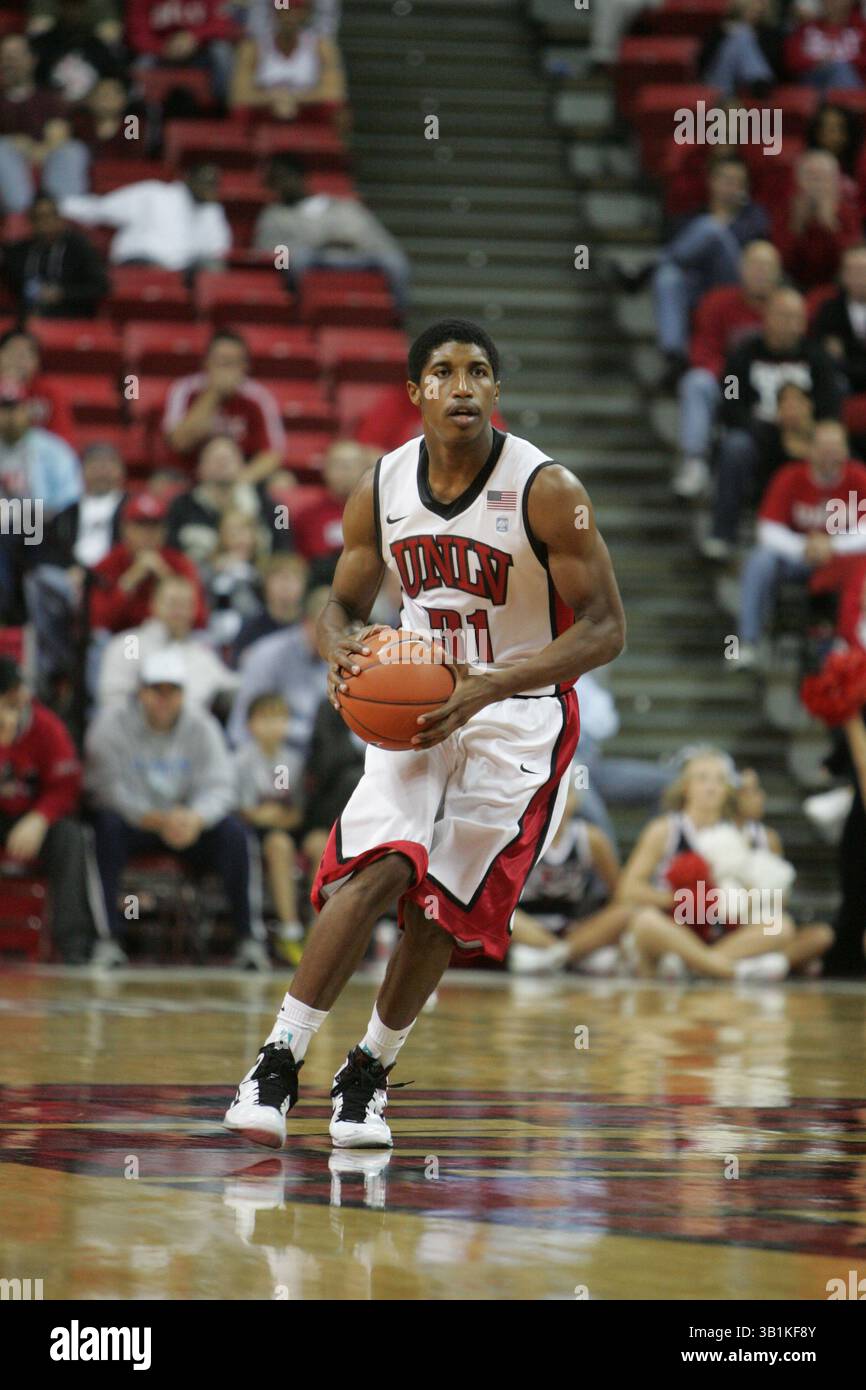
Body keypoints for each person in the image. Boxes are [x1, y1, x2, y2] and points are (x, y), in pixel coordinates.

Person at [223, 316, 626, 1151]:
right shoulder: (381, 487)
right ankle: (277, 1057)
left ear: (496, 392)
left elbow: (605, 629)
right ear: (417, 394)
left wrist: (493, 683)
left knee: (440, 907)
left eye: (480, 371)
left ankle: (366, 1072)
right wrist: (341, 655)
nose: (464, 386)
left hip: (519, 713)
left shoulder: (548, 491)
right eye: (443, 372)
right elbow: (339, 607)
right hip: (415, 706)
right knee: (375, 871)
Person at [86, 647, 267, 971]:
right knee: (105, 829)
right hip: (137, 822)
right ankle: (108, 938)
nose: (164, 699)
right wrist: (155, 819)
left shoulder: (202, 726)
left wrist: (196, 817)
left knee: (235, 835)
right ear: (141, 691)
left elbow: (220, 784)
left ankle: (249, 939)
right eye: (157, 690)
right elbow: (105, 789)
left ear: (183, 694)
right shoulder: (110, 726)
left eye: (173, 692)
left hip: (188, 824)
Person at [616, 749, 832, 979]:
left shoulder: (742, 834)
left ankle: (696, 965)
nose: (712, 786)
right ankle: (730, 969)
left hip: (726, 931)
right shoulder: (665, 830)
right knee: (645, 921)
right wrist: (685, 900)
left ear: (728, 790)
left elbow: (778, 899)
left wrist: (746, 899)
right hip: (678, 926)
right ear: (686, 787)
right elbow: (628, 890)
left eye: (720, 780)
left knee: (780, 926)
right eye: (702, 778)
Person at [703, 287, 843, 558]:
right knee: (734, 446)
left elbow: (830, 406)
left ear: (804, 322)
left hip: (806, 439)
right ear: (766, 317)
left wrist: (805, 426)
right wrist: (764, 424)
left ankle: (834, 539)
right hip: (756, 434)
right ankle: (722, 533)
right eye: (782, 315)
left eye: (795, 317)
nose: (789, 324)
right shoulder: (741, 355)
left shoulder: (818, 359)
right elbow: (729, 398)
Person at [736, 419, 866, 665]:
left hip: (844, 564)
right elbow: (767, 530)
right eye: (824, 448)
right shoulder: (789, 477)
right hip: (799, 560)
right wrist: (804, 547)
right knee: (759, 559)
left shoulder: (859, 478)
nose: (830, 456)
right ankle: (748, 642)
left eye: (835, 448)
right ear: (811, 450)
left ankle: (849, 647)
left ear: (846, 451)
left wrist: (832, 545)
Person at [0, 656, 100, 963]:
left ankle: (75, 947)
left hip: (32, 817)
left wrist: (40, 817)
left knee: (72, 838)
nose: (19, 698)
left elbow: (67, 786)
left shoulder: (46, 727)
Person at [674, 239, 782, 500]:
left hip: (774, 389)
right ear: (741, 268)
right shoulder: (717, 302)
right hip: (728, 384)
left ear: (778, 273)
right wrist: (734, 376)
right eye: (755, 265)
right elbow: (702, 351)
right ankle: (695, 462)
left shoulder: (784, 309)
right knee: (696, 382)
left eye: (767, 267)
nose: (761, 272)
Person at [653, 155, 771, 384]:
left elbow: (757, 251)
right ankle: (674, 355)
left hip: (737, 279)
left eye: (738, 182)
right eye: (726, 180)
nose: (732, 187)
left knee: (711, 229)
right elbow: (685, 260)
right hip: (700, 285)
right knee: (667, 277)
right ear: (712, 182)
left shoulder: (754, 218)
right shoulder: (690, 217)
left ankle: (646, 268)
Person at [23, 441, 125, 700]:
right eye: (95, 464)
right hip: (71, 584)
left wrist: (94, 575)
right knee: (37, 581)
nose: (102, 470)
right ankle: (56, 670)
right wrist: (72, 571)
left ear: (120, 471)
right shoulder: (65, 514)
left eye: (108, 464)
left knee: (95, 628)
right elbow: (48, 553)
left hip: (114, 584)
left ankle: (85, 690)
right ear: (82, 472)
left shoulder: (133, 510)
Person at [234, 692, 326, 966]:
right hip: (256, 834)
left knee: (322, 841)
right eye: (265, 718)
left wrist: (280, 817)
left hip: (290, 826)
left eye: (279, 718)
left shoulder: (295, 761)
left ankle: (319, 927)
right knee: (278, 846)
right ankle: (289, 928)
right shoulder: (241, 761)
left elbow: (298, 811)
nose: (273, 725)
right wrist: (268, 817)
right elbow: (243, 810)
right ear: (250, 724)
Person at [254, 155, 410, 313]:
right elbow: (273, 254)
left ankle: (397, 315)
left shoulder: (346, 206)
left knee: (394, 260)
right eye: (275, 181)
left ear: (300, 177)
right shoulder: (274, 215)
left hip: (357, 257)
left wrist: (352, 242)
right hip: (314, 260)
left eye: (284, 178)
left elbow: (378, 239)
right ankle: (298, 311)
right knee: (298, 259)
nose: (281, 185)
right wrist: (314, 244)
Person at [508, 778, 630, 975]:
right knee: (497, 911)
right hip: (527, 927)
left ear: (576, 800)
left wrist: (594, 928)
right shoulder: (518, 834)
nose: (557, 800)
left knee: (627, 911)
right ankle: (564, 954)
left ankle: (558, 954)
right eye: (550, 792)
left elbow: (619, 893)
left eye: (565, 793)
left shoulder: (591, 838)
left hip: (573, 928)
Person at [97, 573, 239, 710]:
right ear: (154, 604)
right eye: (173, 603)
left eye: (186, 605)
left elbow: (229, 685)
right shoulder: (132, 643)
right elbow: (114, 697)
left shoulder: (200, 651)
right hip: (137, 730)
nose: (180, 611)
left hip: (191, 731)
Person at [162, 332, 286, 485]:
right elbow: (179, 442)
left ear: (245, 366)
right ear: (206, 362)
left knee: (282, 482)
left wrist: (239, 481)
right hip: (190, 476)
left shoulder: (258, 397)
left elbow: (272, 454)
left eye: (233, 362)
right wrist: (213, 394)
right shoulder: (184, 390)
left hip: (240, 477)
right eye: (221, 361)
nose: (226, 370)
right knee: (162, 483)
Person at [61, 163, 230, 274]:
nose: (210, 188)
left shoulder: (213, 211)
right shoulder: (154, 193)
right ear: (188, 178)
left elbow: (218, 251)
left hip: (181, 273)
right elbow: (101, 209)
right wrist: (62, 205)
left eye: (214, 184)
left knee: (215, 271)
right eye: (205, 181)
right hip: (140, 262)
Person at [228, 585, 330, 752]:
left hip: (320, 754)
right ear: (307, 623)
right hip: (273, 753)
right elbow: (243, 726)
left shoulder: (338, 658)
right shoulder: (267, 655)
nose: (334, 636)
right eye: (327, 628)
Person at [89, 491, 207, 636]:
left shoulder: (178, 562)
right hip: (129, 636)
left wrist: (166, 578)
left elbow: (200, 619)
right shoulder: (109, 563)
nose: (148, 534)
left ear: (164, 531)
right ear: (125, 529)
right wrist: (129, 581)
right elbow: (99, 621)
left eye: (155, 526)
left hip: (174, 637)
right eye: (141, 526)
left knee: (203, 641)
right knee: (128, 654)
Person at [0, 32, 89, 213]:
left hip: (46, 154)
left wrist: (32, 149)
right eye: (5, 57)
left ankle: (65, 210)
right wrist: (14, 143)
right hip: (8, 163)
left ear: (32, 60)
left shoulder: (49, 99)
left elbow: (58, 135)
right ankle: (21, 212)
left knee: (73, 149)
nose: (10, 62)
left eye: (16, 56)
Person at [230, 0, 345, 118]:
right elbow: (239, 96)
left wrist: (293, 99)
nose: (290, 16)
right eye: (285, 10)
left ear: (305, 13)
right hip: (264, 119)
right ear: (275, 12)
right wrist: (273, 100)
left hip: (306, 117)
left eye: (295, 11)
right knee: (241, 111)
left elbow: (334, 94)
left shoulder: (321, 47)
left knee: (334, 110)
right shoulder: (254, 47)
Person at [0, 193, 108, 319]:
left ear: (60, 219)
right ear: (31, 222)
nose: (45, 223)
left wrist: (62, 293)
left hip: (71, 316)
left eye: (49, 216)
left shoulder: (79, 248)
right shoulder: (19, 251)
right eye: (38, 218)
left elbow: (101, 287)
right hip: (28, 316)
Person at [166, 434, 264, 566]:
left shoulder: (270, 505)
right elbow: (170, 552)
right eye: (215, 460)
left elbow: (283, 545)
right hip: (197, 580)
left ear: (242, 464)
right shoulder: (180, 506)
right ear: (199, 468)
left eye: (227, 459)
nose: (222, 464)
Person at [772, 150, 862, 291]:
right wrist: (797, 226)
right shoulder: (787, 209)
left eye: (823, 178)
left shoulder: (847, 211)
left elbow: (851, 260)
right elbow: (781, 260)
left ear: (835, 182)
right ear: (798, 181)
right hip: (793, 283)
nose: (817, 185)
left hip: (837, 283)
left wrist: (831, 226)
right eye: (811, 177)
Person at [126, 0, 239, 107]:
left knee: (222, 51)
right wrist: (162, 48)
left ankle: (221, 107)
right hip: (161, 54)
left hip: (200, 53)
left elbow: (223, 23)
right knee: (142, 63)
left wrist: (193, 37)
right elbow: (137, 33)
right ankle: (139, 112)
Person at [288, 439, 370, 583]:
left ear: (365, 469)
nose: (345, 472)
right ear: (326, 470)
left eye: (350, 465)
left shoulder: (379, 511)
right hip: (322, 587)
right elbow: (297, 562)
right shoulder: (307, 516)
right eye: (338, 465)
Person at [229, 552, 309, 666]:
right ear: (266, 584)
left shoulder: (310, 626)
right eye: (279, 578)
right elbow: (236, 663)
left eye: (293, 578)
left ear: (303, 586)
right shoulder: (251, 627)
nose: (285, 585)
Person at [0, 327, 74, 441]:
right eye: (12, 352)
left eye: (25, 355)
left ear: (37, 362)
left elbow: (63, 439)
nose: (17, 360)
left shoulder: (50, 393)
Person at [811, 242, 866, 393]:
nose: (859, 277)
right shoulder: (829, 310)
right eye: (853, 271)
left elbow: (841, 354)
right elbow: (824, 355)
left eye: (863, 270)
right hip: (845, 381)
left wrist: (847, 353)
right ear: (843, 275)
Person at [700, 0, 783, 96]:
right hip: (720, 78)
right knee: (742, 36)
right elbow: (705, 61)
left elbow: (774, 62)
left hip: (745, 81)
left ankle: (726, 95)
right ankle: (758, 79)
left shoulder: (770, 33)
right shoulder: (721, 30)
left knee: (743, 35)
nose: (755, 9)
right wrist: (725, 34)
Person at [785, 0, 866, 91]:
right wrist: (818, 63)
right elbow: (792, 61)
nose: (830, 2)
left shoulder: (862, 30)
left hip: (854, 82)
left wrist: (837, 61)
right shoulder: (806, 29)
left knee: (840, 69)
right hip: (812, 83)